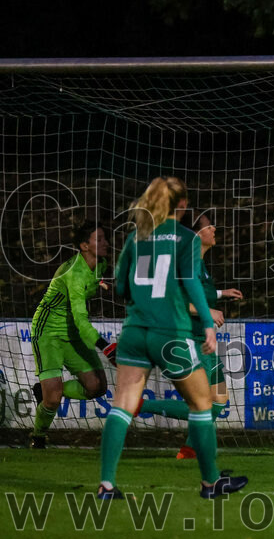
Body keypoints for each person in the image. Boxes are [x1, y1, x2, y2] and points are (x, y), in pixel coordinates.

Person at [99, 176, 247, 499]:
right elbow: (191, 282)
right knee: (203, 403)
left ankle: (106, 484)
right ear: (182, 205)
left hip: (135, 332)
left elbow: (121, 287)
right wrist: (207, 321)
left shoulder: (135, 237)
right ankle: (210, 482)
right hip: (172, 335)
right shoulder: (185, 238)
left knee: (122, 406)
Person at [137, 213, 243, 460]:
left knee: (217, 401)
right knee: (208, 404)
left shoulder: (199, 262)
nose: (214, 229)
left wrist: (220, 293)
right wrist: (208, 311)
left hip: (201, 340)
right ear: (196, 234)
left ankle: (187, 450)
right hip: (186, 340)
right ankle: (140, 407)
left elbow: (199, 293)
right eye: (209, 226)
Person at [29, 221, 118, 449]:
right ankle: (38, 436)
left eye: (105, 238)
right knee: (52, 400)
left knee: (97, 387)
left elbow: (92, 279)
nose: (105, 243)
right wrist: (105, 346)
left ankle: (46, 391)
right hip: (48, 331)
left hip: (73, 333)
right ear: (84, 246)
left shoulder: (102, 264)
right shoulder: (74, 274)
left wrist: (98, 282)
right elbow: (81, 320)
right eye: (99, 239)